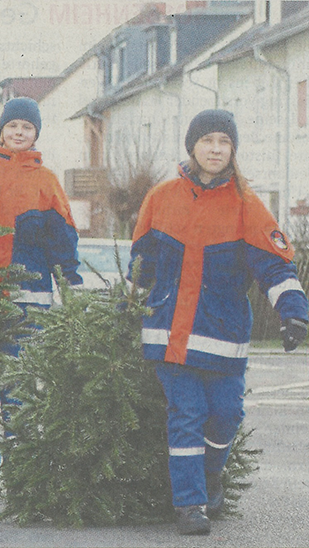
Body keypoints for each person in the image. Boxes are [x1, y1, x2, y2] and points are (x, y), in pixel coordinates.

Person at [129, 109, 308, 536]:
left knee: (226, 415)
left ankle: (210, 477)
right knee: (186, 415)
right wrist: (127, 306)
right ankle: (190, 506)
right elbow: (141, 264)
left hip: (223, 337)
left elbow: (275, 267)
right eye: (207, 140)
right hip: (169, 334)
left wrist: (294, 313)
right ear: (192, 146)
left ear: (232, 151)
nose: (215, 149)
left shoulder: (247, 205)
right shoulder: (162, 197)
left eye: (223, 142)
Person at [0, 97, 82, 494]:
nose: (19, 133)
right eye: (13, 126)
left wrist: (70, 284)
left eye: (27, 127)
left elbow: (63, 242)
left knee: (19, 383)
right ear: (2, 130)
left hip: (29, 301)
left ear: (36, 133)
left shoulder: (47, 183)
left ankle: (22, 467)